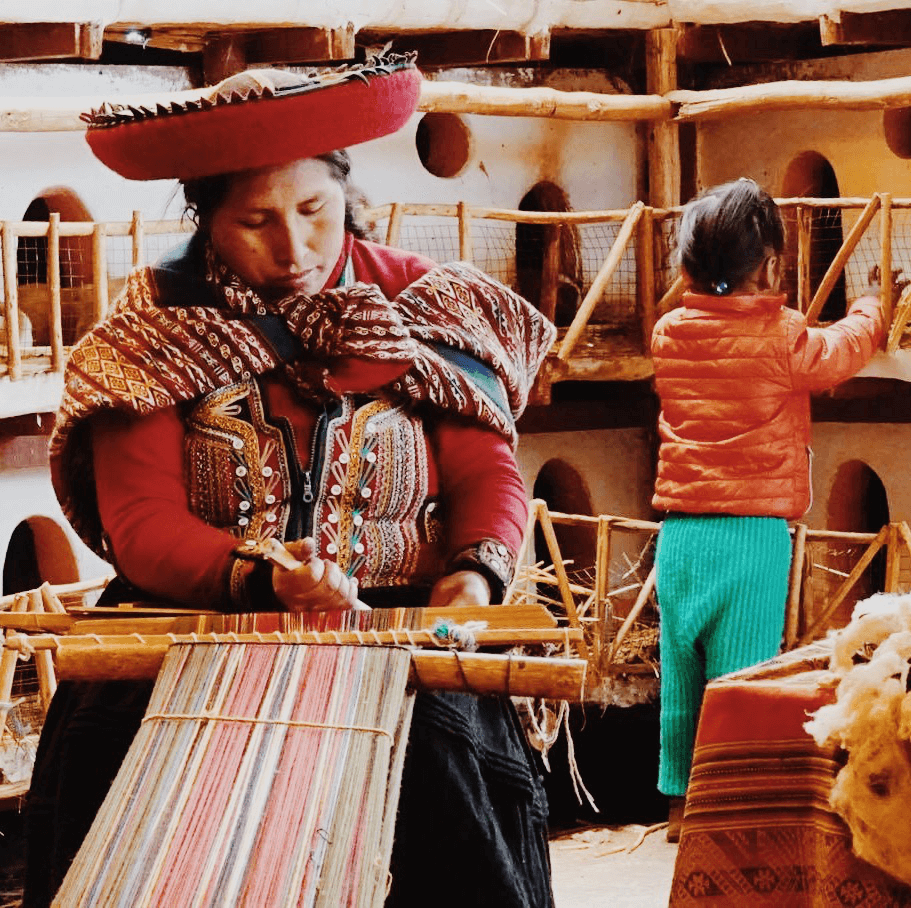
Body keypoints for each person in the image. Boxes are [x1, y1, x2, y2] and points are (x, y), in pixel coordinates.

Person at [24, 56, 557, 907]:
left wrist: (473, 575)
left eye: (314, 211)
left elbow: (485, 469)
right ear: (207, 219)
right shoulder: (158, 330)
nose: (294, 247)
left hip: (399, 630)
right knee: (113, 768)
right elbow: (141, 521)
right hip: (196, 631)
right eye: (255, 222)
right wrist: (269, 579)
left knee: (448, 776)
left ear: (344, 191)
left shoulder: (427, 307)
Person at [650, 178, 885, 841]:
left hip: (678, 535)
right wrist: (871, 305)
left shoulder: (667, 333)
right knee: (743, 680)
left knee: (682, 678)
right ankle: (738, 809)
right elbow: (840, 353)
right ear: (772, 263)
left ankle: (679, 808)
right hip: (751, 537)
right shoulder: (782, 336)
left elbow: (704, 319)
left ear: (690, 263)